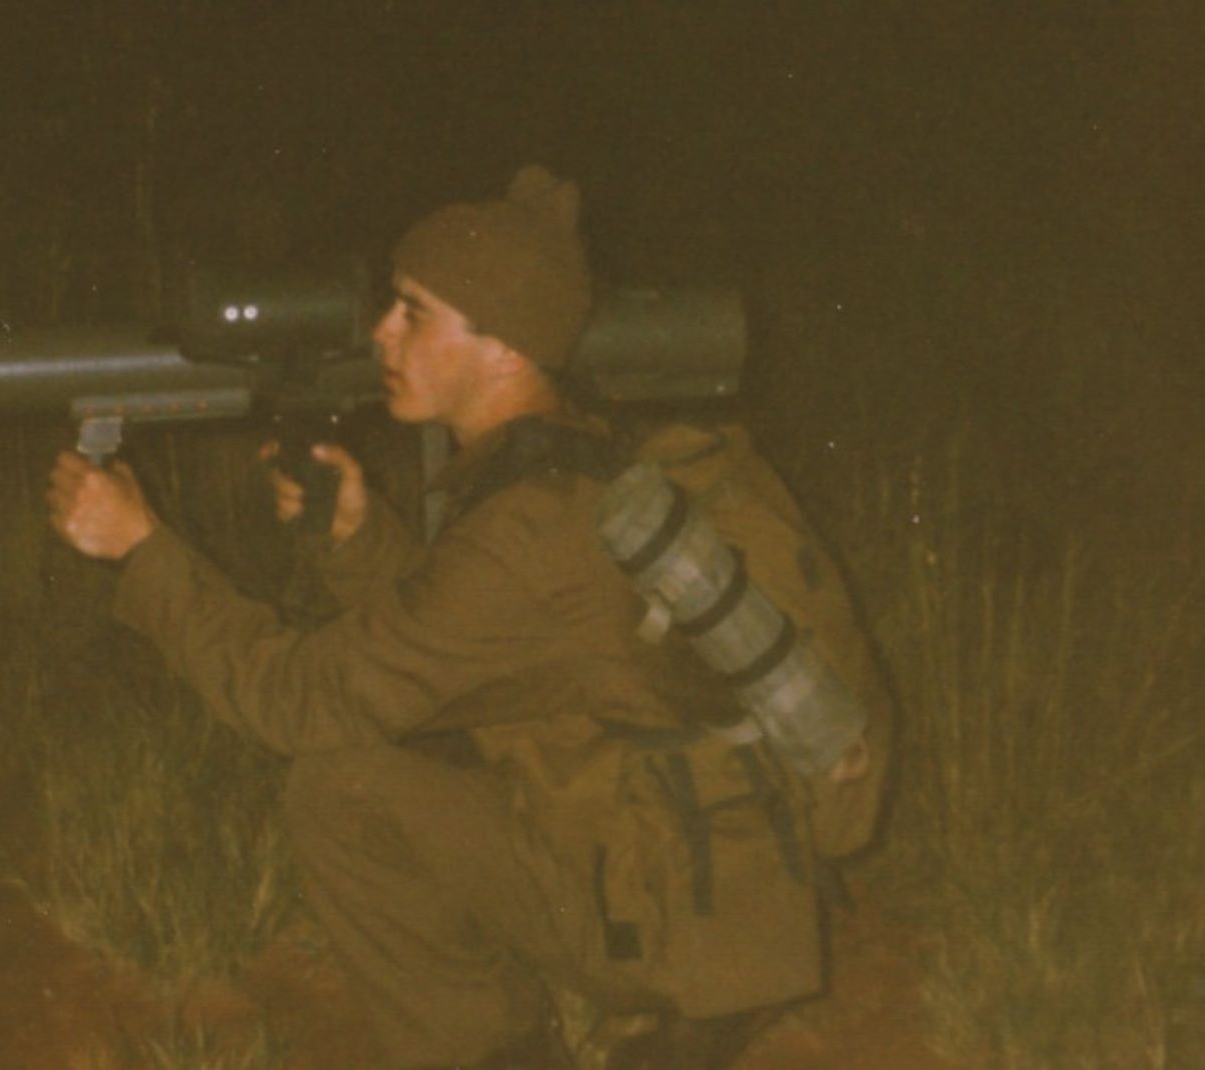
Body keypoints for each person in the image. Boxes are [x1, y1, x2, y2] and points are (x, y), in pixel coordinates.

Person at [47, 166, 892, 1069]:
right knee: (385, 760)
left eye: (413, 313)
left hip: (681, 921)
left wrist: (143, 550)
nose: (380, 331)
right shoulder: (572, 458)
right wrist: (358, 538)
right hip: (721, 885)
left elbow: (298, 700)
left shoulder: (529, 531)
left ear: (504, 350)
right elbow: (486, 641)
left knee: (339, 790)